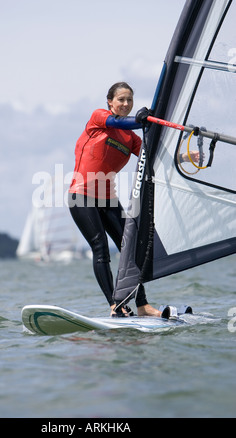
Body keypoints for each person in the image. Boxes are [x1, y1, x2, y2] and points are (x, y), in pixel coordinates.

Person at [68, 82, 199, 318]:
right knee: (100, 249)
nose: (126, 104)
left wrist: (187, 156)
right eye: (121, 99)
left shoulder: (130, 138)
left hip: (108, 199)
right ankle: (115, 305)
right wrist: (141, 120)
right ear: (110, 101)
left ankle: (142, 305)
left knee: (128, 250)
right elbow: (119, 122)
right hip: (81, 195)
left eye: (129, 100)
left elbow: (158, 157)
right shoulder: (99, 117)